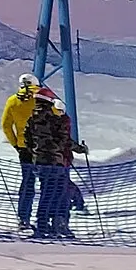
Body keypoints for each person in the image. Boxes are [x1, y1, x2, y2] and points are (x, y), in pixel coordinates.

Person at [27, 88, 86, 238]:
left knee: (46, 192)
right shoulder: (55, 118)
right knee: (60, 193)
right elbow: (64, 140)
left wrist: (35, 152)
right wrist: (76, 149)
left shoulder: (31, 119)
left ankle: (42, 222)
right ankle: (59, 223)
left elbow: (27, 139)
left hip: (39, 162)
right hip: (56, 161)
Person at [1, 74, 42, 231]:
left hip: (24, 148)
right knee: (50, 183)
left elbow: (5, 125)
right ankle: (46, 218)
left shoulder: (12, 101)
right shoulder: (42, 99)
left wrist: (15, 144)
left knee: (27, 183)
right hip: (44, 148)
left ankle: (23, 218)